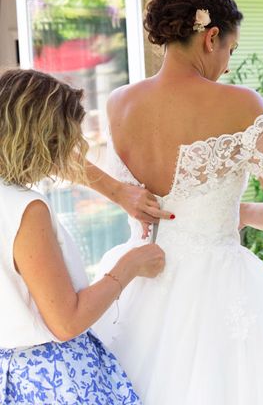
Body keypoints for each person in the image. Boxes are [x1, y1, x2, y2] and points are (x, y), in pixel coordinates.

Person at [92, 0, 263, 404]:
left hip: (136, 282)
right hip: (217, 288)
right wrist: (238, 212)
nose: (225, 65)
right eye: (230, 50)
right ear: (211, 37)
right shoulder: (241, 105)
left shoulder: (118, 103)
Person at [0, 68, 166, 404]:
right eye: (66, 139)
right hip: (56, 380)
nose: (74, 148)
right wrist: (129, 265)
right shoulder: (26, 210)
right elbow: (66, 321)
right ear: (43, 140)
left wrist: (118, 192)